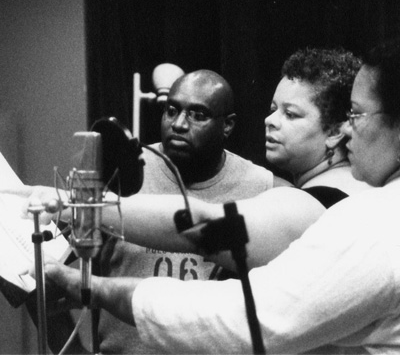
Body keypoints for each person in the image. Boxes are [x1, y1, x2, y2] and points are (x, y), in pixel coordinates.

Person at [29, 36, 400, 354]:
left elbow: (202, 227)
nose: (271, 121)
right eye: (273, 109)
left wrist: (74, 209)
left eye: (357, 115)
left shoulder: (352, 214)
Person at [96, 69, 290, 354]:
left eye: (198, 115)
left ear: (228, 125)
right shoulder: (120, 177)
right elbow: (39, 273)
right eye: (171, 110)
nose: (179, 124)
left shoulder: (267, 190)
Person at [265, 47, 371, 204]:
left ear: (334, 132)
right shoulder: (365, 187)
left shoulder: (315, 200)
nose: (270, 120)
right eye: (273, 109)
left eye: (290, 114)